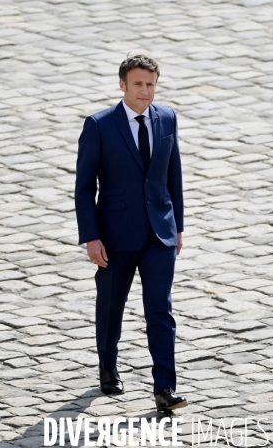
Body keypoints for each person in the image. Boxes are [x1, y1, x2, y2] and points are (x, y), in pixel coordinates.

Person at [74, 54, 187, 412]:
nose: (145, 91)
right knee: (111, 306)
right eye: (137, 84)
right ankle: (107, 365)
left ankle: (164, 389)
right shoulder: (99, 125)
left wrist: (178, 227)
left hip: (159, 235)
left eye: (150, 84)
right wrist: (91, 236)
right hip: (115, 236)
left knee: (160, 310)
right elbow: (83, 187)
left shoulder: (167, 118)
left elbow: (174, 177)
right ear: (122, 85)